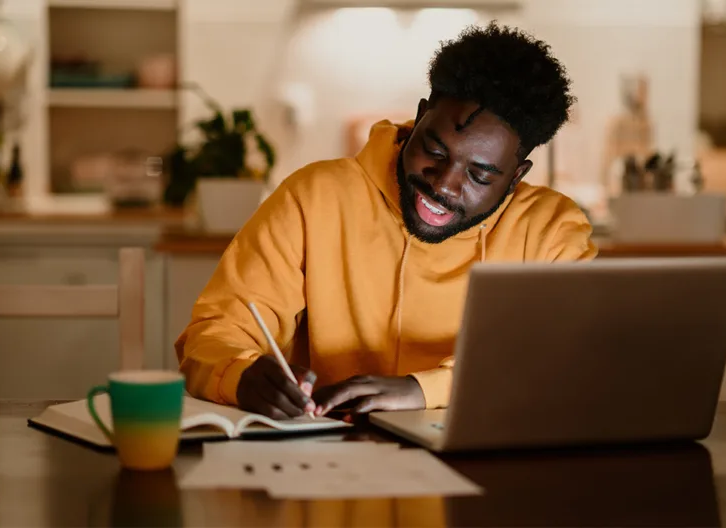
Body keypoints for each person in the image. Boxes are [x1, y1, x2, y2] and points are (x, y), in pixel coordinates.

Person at [175, 22, 597, 419]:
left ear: (516, 175)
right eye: (434, 150)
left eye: (480, 175)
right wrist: (240, 374)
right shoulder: (314, 196)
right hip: (329, 460)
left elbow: (568, 361)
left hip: (484, 470)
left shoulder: (552, 232)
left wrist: (421, 390)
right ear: (420, 115)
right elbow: (214, 334)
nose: (445, 186)